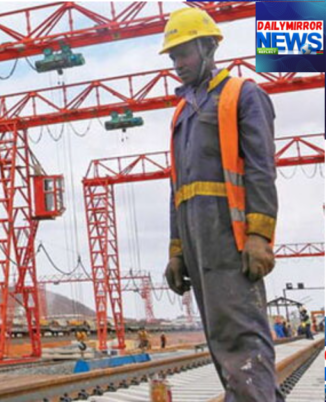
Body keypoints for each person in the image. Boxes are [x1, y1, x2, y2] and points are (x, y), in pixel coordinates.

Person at [160, 8, 282, 401]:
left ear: (209, 47)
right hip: (197, 242)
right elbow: (178, 188)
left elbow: (261, 169)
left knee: (242, 339)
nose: (178, 64)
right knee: (222, 341)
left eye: (184, 53)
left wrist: (259, 236)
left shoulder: (243, 95)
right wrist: (177, 251)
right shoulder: (183, 113)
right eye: (173, 57)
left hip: (230, 238)